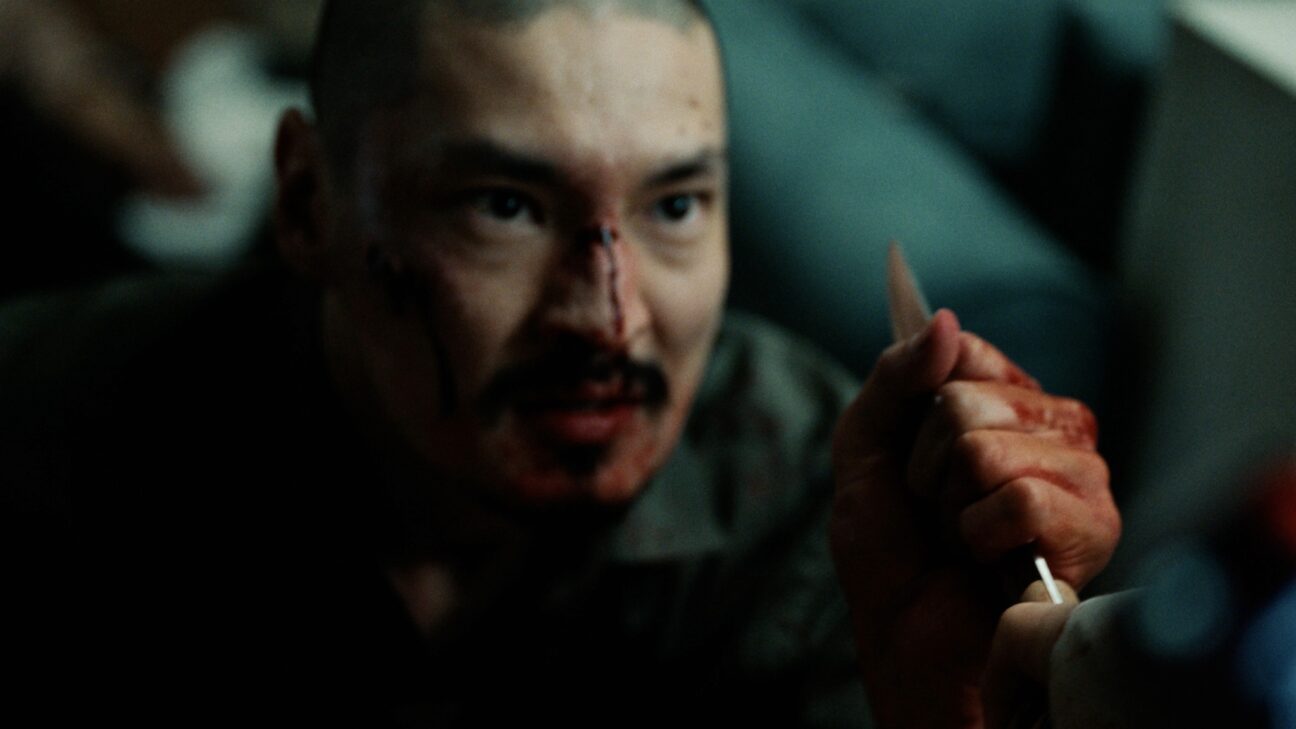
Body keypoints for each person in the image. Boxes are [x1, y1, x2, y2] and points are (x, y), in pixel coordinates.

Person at [0, 1, 1119, 726]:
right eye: (505, 206)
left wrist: (942, 708)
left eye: (675, 204)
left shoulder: (820, 500)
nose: (609, 319)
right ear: (307, 202)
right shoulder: (51, 440)